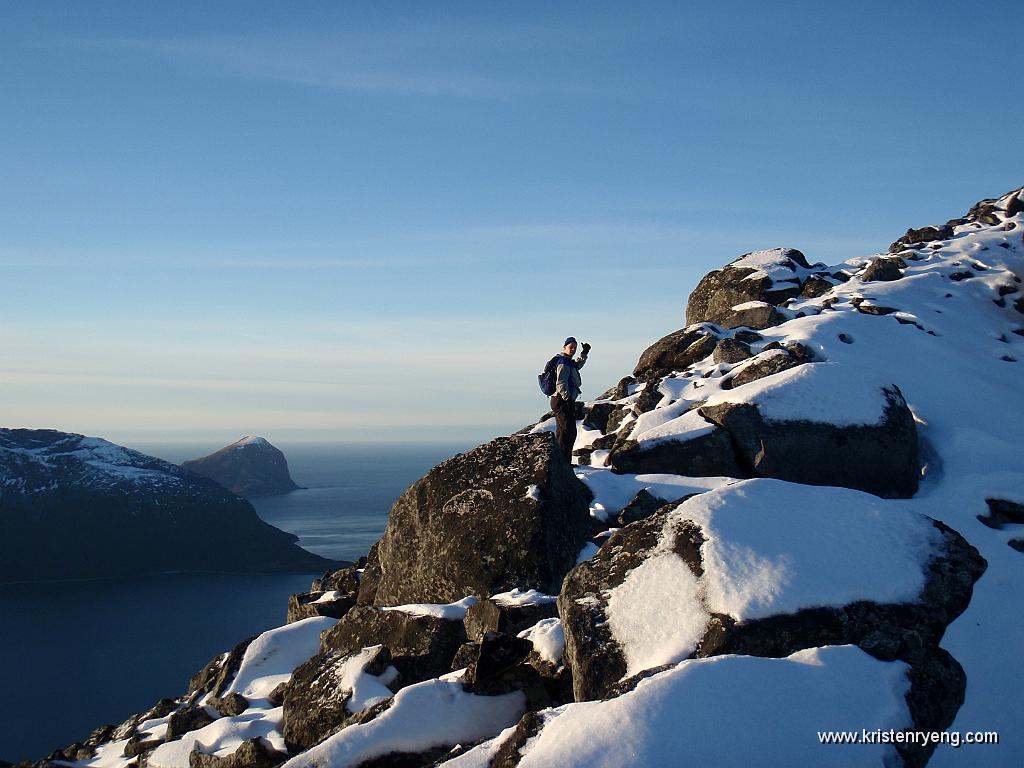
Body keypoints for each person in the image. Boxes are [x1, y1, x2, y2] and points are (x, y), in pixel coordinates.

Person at [551, 336, 590, 463]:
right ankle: (563, 463)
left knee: (563, 432)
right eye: (570, 347)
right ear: (564, 347)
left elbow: (577, 365)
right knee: (568, 433)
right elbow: (561, 383)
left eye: (575, 347)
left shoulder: (568, 361)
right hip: (562, 401)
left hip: (561, 400)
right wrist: (567, 398)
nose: (573, 349)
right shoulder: (563, 362)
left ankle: (561, 462)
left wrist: (584, 353)